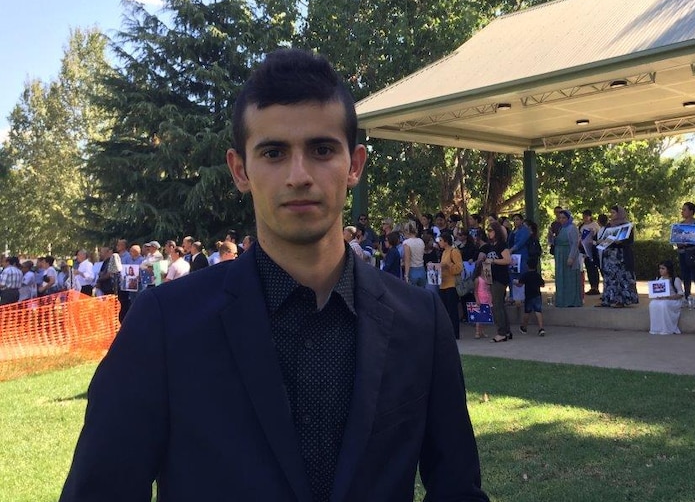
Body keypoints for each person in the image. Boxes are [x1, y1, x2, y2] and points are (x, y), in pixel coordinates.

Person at [60, 48, 488, 502]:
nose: (299, 175)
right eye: (274, 152)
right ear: (240, 169)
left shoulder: (419, 322)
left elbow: (457, 489)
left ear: (355, 165)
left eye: (322, 150)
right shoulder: (164, 325)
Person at [598, 206, 638, 308]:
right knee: (609, 278)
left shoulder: (626, 225)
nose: (611, 215)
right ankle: (608, 299)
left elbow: (629, 241)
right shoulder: (609, 225)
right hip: (609, 256)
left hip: (621, 255)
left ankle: (621, 300)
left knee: (621, 277)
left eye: (614, 213)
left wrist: (620, 241)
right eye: (610, 212)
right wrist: (601, 241)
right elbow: (603, 238)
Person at [484, 220, 513, 343]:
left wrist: (494, 261)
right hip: (492, 277)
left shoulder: (501, 245)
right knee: (499, 305)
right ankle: (506, 330)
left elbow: (508, 260)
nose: (489, 233)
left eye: (491, 230)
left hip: (500, 278)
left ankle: (501, 332)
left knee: (497, 305)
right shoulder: (491, 246)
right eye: (488, 231)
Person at [674, 202, 695, 309]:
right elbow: (677, 240)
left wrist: (691, 240)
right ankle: (686, 297)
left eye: (685, 210)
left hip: (694, 252)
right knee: (685, 276)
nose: (683, 212)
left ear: (691, 211)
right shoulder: (680, 224)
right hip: (682, 252)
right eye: (682, 210)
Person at [437, 230, 464, 340]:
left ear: (446, 241)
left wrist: (449, 266)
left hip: (452, 284)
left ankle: (455, 333)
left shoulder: (454, 252)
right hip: (443, 283)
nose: (439, 242)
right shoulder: (444, 252)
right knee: (445, 310)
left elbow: (459, 268)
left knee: (452, 310)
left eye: (441, 241)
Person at [553, 209, 582, 308]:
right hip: (559, 255)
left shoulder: (572, 228)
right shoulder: (559, 228)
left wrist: (571, 257)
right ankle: (562, 300)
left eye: (564, 218)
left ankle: (571, 301)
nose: (561, 220)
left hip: (568, 253)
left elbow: (574, 244)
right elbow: (554, 242)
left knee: (570, 278)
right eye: (560, 218)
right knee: (561, 277)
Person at [648, 260, 684, 335]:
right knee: (652, 304)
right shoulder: (659, 279)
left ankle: (667, 328)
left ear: (668, 269)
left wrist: (669, 297)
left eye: (663, 268)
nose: (660, 270)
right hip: (662, 299)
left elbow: (680, 294)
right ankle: (656, 328)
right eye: (660, 268)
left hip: (673, 300)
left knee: (664, 305)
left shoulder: (675, 279)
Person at [517, 259, 546, 336]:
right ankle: (541, 328)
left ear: (527, 266)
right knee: (538, 311)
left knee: (527, 312)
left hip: (529, 295)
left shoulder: (526, 275)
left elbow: (520, 284)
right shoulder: (537, 275)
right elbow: (542, 284)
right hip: (537, 295)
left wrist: (515, 283)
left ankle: (524, 327)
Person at [579, 210, 601, 295]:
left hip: (592, 248)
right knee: (588, 267)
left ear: (590, 216)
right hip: (584, 248)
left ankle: (595, 286)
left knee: (593, 268)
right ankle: (592, 286)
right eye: (583, 216)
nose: (584, 218)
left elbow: (598, 236)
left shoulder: (595, 225)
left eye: (586, 216)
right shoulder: (582, 226)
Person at [401, 220, 426, 287]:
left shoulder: (407, 243)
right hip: (421, 269)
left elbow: (407, 259)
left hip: (412, 270)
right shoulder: (421, 241)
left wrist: (406, 274)